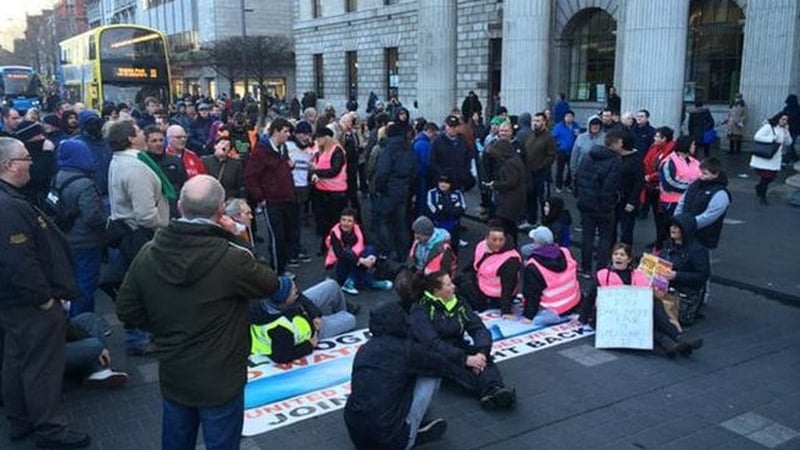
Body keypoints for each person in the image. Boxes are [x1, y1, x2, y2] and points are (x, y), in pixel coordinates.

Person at [116, 175, 280, 450]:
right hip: (221, 375)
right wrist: (239, 238)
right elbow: (270, 282)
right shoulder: (232, 257)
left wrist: (163, 329)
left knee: (176, 440)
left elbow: (126, 310)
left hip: (175, 370)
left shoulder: (149, 253)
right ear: (220, 211)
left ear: (180, 206)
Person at [0, 136, 91, 448]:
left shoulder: (11, 198)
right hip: (30, 303)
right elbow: (18, 262)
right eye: (26, 158)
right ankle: (50, 430)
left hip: (16, 304)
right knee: (42, 366)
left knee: (16, 359)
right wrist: (45, 299)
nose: (32, 163)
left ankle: (20, 420)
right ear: (9, 165)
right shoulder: (8, 207)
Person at [105, 119, 172, 355]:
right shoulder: (134, 167)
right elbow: (145, 214)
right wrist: (162, 224)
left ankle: (141, 336)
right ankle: (140, 338)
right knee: (145, 287)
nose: (145, 134)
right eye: (140, 132)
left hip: (131, 233)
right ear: (132, 138)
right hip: (141, 235)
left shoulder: (124, 161)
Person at [344, 302, 450, 450]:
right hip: (391, 441)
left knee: (383, 384)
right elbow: (441, 364)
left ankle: (402, 426)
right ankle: (411, 430)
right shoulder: (406, 350)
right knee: (431, 375)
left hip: (358, 437)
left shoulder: (364, 349)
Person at [409, 271, 517, 409]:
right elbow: (432, 343)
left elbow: (477, 328)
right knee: (455, 367)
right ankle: (488, 391)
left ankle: (495, 389)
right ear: (437, 291)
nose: (453, 286)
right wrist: (465, 359)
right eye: (448, 285)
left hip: (456, 345)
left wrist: (482, 352)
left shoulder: (458, 302)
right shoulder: (421, 309)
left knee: (484, 360)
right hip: (432, 353)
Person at [582, 242, 703, 357]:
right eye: (615, 254)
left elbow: (645, 299)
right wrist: (582, 319)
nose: (618, 257)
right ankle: (674, 340)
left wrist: (671, 318)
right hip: (611, 318)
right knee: (646, 322)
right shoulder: (602, 274)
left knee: (654, 302)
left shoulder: (639, 276)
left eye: (622, 255)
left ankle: (674, 341)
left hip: (633, 315)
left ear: (629, 259)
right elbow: (590, 298)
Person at [53, 139, 107, 316]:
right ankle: (84, 322)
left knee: (73, 281)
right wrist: (106, 224)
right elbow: (92, 216)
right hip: (86, 241)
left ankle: (72, 317)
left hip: (66, 237)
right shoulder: (85, 184)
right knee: (86, 283)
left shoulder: (58, 176)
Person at [250, 277, 357, 363]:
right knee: (350, 319)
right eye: (293, 291)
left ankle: (339, 311)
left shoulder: (271, 295)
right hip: (312, 332)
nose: (297, 291)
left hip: (302, 312)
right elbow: (281, 357)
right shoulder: (278, 329)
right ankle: (340, 315)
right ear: (286, 300)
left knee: (331, 285)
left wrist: (314, 313)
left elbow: (299, 296)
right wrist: (309, 345)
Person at [244, 117, 297, 278]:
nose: (288, 135)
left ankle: (282, 266)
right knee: (277, 236)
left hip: (287, 197)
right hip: (271, 200)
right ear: (276, 131)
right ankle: (276, 272)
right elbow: (250, 176)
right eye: (285, 131)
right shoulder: (260, 152)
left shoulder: (282, 149)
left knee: (288, 234)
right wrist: (261, 197)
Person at [574, 129, 624, 274]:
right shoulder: (615, 161)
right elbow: (610, 186)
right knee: (605, 238)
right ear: (614, 144)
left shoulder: (588, 156)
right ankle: (601, 269)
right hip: (604, 206)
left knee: (587, 236)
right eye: (620, 142)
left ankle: (585, 266)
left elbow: (579, 177)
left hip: (586, 202)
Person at [374, 121, 417, 261]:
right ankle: (403, 252)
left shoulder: (388, 149)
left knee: (383, 221)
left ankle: (389, 251)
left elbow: (382, 172)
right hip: (403, 189)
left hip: (389, 189)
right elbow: (413, 171)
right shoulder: (409, 148)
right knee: (401, 222)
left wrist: (379, 188)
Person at [325, 207, 394, 295]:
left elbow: (373, 242)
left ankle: (351, 280)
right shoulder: (335, 233)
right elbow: (340, 254)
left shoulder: (359, 229)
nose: (345, 223)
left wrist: (372, 256)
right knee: (348, 252)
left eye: (349, 221)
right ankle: (371, 283)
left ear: (354, 222)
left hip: (357, 263)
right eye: (343, 220)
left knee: (370, 249)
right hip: (340, 265)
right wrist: (361, 260)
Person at [461, 222, 522, 318]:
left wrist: (505, 311)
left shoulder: (510, 260)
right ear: (487, 239)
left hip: (494, 297)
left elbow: (508, 286)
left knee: (464, 290)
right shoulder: (482, 246)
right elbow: (475, 262)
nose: (497, 243)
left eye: (501, 240)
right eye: (494, 240)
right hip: (482, 283)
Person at [659, 214, 711, 326]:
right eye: (672, 226)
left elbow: (702, 275)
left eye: (677, 227)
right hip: (667, 287)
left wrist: (677, 275)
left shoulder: (697, 251)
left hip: (684, 293)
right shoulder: (669, 244)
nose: (673, 229)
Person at [520, 226, 581, 322]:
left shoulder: (533, 266)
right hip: (573, 302)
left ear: (536, 243)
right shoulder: (565, 252)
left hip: (552, 308)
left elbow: (532, 294)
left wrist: (528, 316)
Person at [658, 136, 701, 249]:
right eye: (692, 144)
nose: (694, 147)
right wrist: (690, 188)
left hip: (689, 202)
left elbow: (700, 179)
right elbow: (669, 183)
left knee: (685, 230)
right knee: (671, 230)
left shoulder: (695, 162)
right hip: (672, 202)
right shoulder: (669, 161)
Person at [310, 126, 349, 255]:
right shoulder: (320, 151)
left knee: (334, 221)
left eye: (319, 137)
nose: (317, 140)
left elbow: (334, 170)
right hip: (322, 190)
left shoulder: (337, 151)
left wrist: (316, 172)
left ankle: (336, 247)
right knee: (325, 221)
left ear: (327, 138)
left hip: (336, 192)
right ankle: (326, 246)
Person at [65, 311, 129, 387]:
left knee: (89, 318)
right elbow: (62, 326)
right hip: (52, 352)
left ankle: (97, 368)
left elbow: (65, 325)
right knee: (95, 345)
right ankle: (96, 366)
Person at [486, 138, 526, 244]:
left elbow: (509, 182)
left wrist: (494, 185)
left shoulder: (509, 164)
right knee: (511, 225)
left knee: (507, 225)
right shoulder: (516, 159)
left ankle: (508, 245)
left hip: (509, 200)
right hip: (517, 198)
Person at [144, 125, 188, 217]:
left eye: (161, 140)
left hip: (174, 210)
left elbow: (184, 184)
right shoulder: (142, 163)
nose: (158, 144)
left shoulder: (175, 161)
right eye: (154, 141)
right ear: (146, 143)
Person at [748, 114, 792, 205]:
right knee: (766, 177)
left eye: (786, 120)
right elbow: (757, 136)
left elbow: (788, 142)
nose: (785, 121)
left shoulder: (783, 130)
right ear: (778, 119)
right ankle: (763, 197)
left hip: (774, 158)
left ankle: (759, 187)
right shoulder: (768, 127)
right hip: (765, 157)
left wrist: (787, 132)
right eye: (783, 119)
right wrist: (772, 139)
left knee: (771, 177)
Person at [522, 112, 556, 227]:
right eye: (534, 121)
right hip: (529, 174)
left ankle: (545, 223)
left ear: (544, 122)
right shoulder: (530, 136)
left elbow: (551, 156)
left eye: (538, 121)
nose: (535, 123)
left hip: (542, 174)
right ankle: (531, 220)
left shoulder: (548, 138)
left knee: (543, 200)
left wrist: (541, 166)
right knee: (530, 198)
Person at [641, 126, 675, 237]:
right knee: (657, 216)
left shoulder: (671, 151)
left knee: (662, 216)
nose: (654, 138)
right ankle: (659, 239)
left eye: (657, 136)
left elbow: (664, 169)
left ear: (664, 138)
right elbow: (646, 161)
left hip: (659, 186)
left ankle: (662, 240)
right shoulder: (654, 147)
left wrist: (650, 177)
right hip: (651, 184)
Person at [425, 172, 466, 251]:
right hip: (437, 228)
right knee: (436, 251)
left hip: (453, 228)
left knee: (453, 251)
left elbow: (462, 209)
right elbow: (435, 212)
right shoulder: (432, 193)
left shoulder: (457, 193)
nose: (443, 184)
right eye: (441, 182)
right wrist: (451, 208)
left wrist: (444, 208)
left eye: (446, 182)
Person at [201, 128, 244, 200]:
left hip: (228, 200)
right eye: (222, 143)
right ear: (215, 146)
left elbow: (240, 185)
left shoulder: (236, 164)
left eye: (228, 145)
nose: (225, 146)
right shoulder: (204, 161)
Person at [551, 109, 580, 192]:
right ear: (564, 117)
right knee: (560, 169)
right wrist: (557, 147)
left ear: (573, 118)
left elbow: (580, 137)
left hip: (572, 151)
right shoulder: (559, 126)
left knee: (571, 168)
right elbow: (553, 137)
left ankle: (568, 184)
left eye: (570, 117)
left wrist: (578, 134)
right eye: (567, 116)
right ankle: (558, 185)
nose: (568, 118)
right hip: (561, 151)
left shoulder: (576, 126)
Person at [570, 116, 605, 181]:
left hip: (599, 175)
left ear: (601, 126)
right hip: (582, 173)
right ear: (589, 125)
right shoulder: (581, 138)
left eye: (597, 124)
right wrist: (574, 173)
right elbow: (574, 156)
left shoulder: (605, 138)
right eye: (593, 124)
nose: (595, 126)